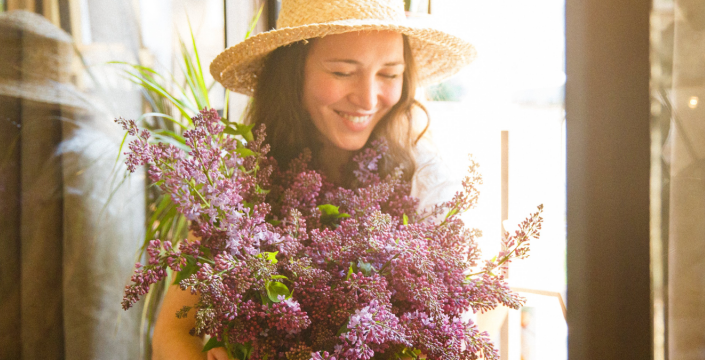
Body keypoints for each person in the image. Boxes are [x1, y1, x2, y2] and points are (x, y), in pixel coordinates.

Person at [151, 0, 475, 358]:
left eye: (389, 74)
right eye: (342, 72)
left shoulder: (425, 182)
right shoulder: (240, 185)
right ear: (294, 74)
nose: (367, 98)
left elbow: (472, 319)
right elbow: (173, 330)